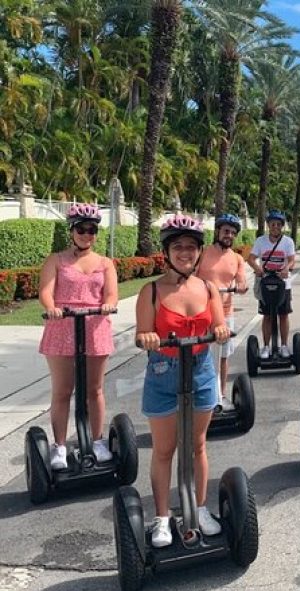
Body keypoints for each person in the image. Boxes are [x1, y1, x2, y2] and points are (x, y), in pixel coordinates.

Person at [135, 215, 231, 547]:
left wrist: (220, 330)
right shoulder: (151, 292)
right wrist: (148, 337)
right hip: (164, 371)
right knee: (165, 449)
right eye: (178, 247)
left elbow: (220, 326)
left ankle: (200, 508)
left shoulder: (207, 288)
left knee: (198, 445)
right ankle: (162, 518)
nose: (185, 253)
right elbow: (143, 332)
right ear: (167, 252)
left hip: (202, 368)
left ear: (199, 252)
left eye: (191, 247)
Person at [39, 203, 117, 470]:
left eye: (92, 229)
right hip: (62, 326)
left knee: (94, 390)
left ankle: (97, 441)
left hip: (95, 326)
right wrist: (52, 309)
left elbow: (111, 294)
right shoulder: (56, 260)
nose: (87, 234)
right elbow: (46, 293)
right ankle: (59, 446)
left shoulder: (105, 263)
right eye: (81, 229)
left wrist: (107, 305)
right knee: (63, 390)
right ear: (71, 230)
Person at [196, 213, 247, 409]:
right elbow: (190, 275)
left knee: (223, 357)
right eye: (226, 231)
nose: (229, 235)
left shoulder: (237, 258)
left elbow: (241, 279)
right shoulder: (203, 252)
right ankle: (200, 394)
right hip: (201, 312)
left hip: (225, 313)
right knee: (200, 355)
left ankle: (221, 394)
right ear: (218, 231)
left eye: (233, 233)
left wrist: (241, 285)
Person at [248, 209, 296, 359]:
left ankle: (283, 346)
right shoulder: (260, 241)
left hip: (283, 284)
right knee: (267, 316)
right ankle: (266, 347)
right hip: (266, 283)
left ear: (282, 226)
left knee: (283, 315)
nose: (275, 227)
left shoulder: (288, 242)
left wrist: (286, 268)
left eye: (278, 224)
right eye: (273, 224)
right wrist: (258, 269)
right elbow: (251, 258)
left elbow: (292, 259)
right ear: (268, 225)